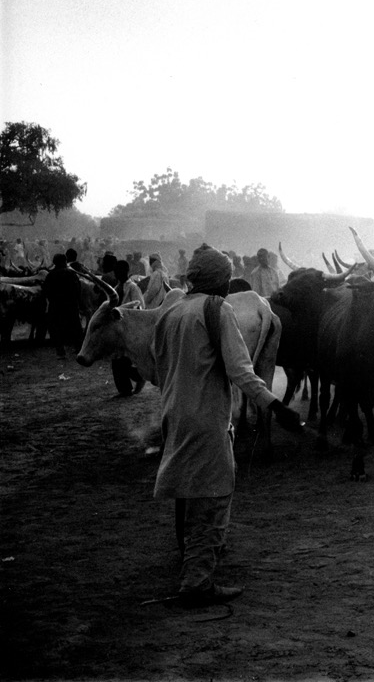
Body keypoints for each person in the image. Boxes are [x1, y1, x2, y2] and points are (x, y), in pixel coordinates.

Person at [153, 246, 302, 608]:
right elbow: (240, 371)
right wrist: (276, 406)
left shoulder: (171, 311)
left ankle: (193, 568)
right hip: (206, 418)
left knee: (190, 492)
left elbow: (159, 366)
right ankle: (197, 582)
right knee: (214, 495)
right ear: (220, 279)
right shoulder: (217, 309)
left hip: (174, 413)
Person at [112, 260, 147, 397]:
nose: (117, 274)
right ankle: (124, 389)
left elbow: (140, 307)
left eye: (119, 271)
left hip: (128, 327)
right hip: (117, 328)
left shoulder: (132, 287)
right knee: (117, 358)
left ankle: (139, 377)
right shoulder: (116, 288)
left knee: (124, 359)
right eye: (116, 271)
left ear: (126, 272)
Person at [43, 253, 83, 359]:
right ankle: (78, 349)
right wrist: (78, 303)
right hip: (71, 305)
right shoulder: (71, 274)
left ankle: (60, 352)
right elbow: (78, 290)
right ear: (64, 262)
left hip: (56, 306)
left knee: (56, 328)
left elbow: (46, 291)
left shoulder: (50, 275)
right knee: (75, 327)